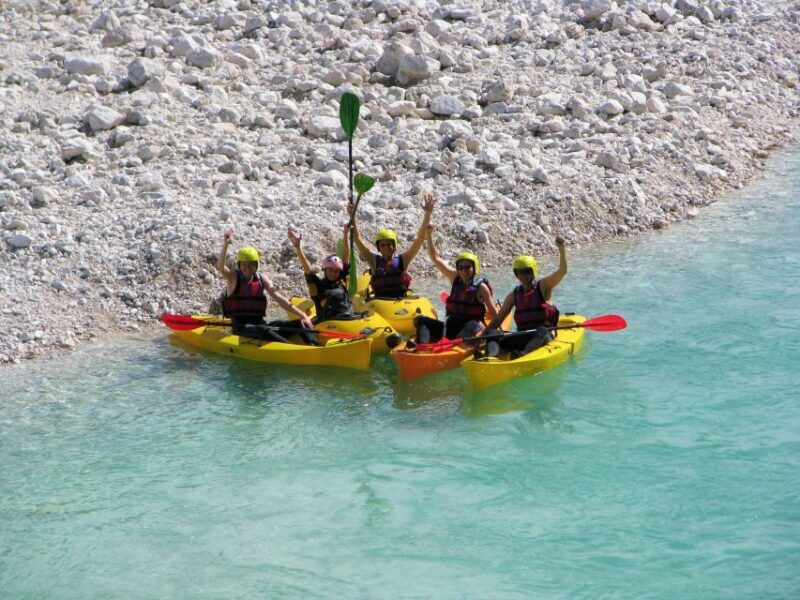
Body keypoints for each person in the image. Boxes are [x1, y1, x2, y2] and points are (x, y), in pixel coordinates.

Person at [217, 228, 316, 344]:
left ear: (256, 266)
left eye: (251, 265)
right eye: (244, 264)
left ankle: (313, 345)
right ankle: (289, 348)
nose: (247, 268)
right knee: (264, 329)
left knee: (299, 323)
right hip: (241, 328)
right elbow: (220, 267)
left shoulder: (261, 278)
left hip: (261, 325)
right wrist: (226, 243)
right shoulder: (233, 278)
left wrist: (302, 314)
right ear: (239, 264)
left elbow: (280, 299)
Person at [412, 224, 499, 344]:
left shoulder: (481, 288)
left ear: (474, 268)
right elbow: (435, 258)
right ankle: (421, 347)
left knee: (472, 324)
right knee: (421, 321)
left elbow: (495, 315)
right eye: (460, 267)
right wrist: (428, 235)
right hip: (451, 327)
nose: (464, 271)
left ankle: (454, 346)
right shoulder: (455, 278)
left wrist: (496, 333)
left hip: (472, 328)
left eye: (467, 267)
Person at [482, 236, 568, 357]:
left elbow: (562, 272)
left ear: (533, 271)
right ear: (516, 274)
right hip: (523, 336)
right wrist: (482, 337)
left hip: (544, 338)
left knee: (542, 330)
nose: (523, 275)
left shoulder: (544, 286)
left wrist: (561, 249)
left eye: (527, 271)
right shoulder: (513, 295)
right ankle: (490, 356)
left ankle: (524, 354)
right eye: (519, 272)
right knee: (493, 332)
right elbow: (497, 320)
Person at [348, 193, 436, 299]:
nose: (386, 247)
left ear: (394, 246)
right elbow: (357, 239)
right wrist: (352, 215)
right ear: (378, 247)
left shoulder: (404, 259)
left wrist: (427, 214)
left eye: (389, 244)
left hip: (401, 301)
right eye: (383, 245)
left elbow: (420, 239)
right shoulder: (373, 260)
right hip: (380, 304)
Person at [287, 224, 355, 321]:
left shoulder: (341, 278)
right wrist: (298, 248)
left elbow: (346, 255)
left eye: (336, 271)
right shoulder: (319, 285)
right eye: (330, 270)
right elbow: (308, 269)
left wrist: (345, 234)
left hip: (347, 319)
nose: (333, 273)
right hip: (326, 323)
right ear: (325, 270)